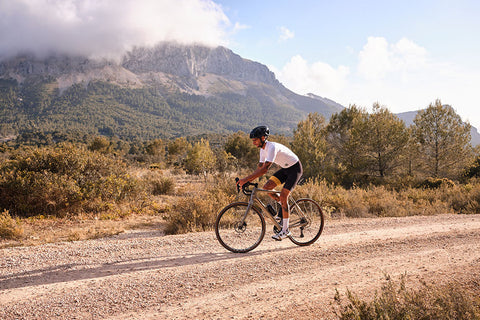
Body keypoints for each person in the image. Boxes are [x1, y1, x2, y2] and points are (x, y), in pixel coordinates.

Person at [237, 126, 303, 240]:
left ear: (263, 138)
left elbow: (264, 170)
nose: (253, 143)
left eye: (255, 140)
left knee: (283, 196)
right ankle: (282, 211)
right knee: (267, 188)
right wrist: (248, 180)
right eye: (253, 141)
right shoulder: (262, 150)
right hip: (285, 169)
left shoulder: (271, 147)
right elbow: (259, 169)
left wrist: (246, 179)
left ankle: (285, 231)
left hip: (295, 169)